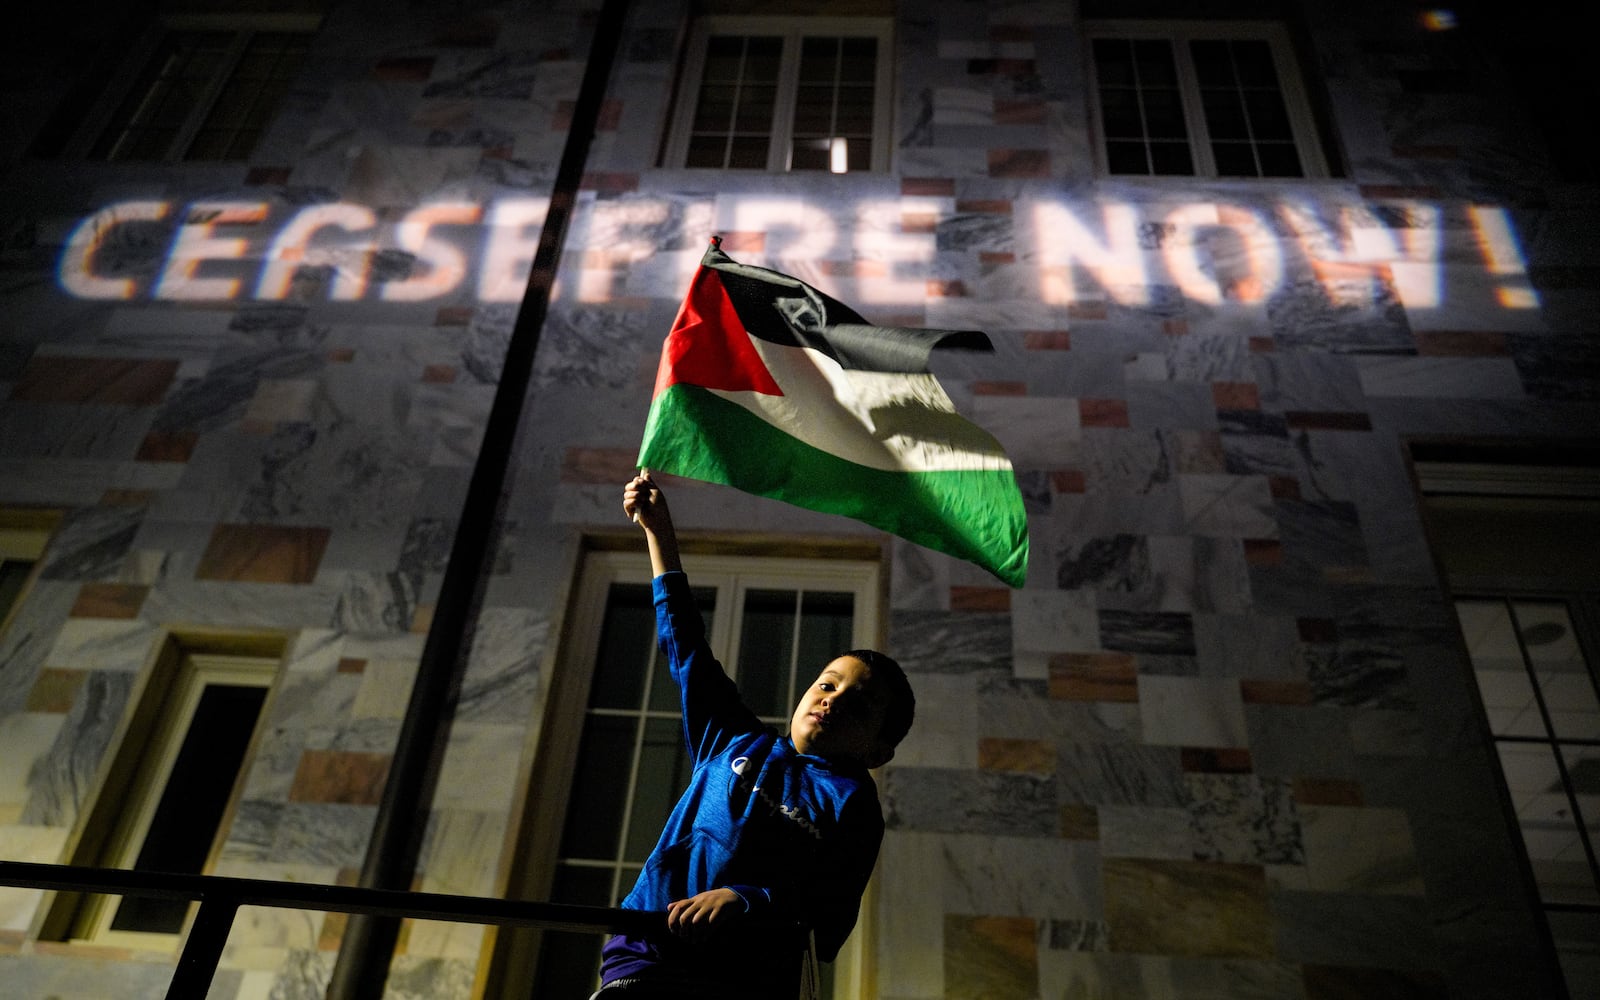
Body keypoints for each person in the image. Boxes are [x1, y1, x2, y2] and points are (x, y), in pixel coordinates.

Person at [591, 472, 915, 999]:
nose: (832, 698)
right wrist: (658, 534)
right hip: (648, 953)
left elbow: (830, 921)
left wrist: (748, 900)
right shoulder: (733, 740)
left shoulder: (852, 802)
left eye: (858, 704)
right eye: (827, 683)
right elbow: (686, 645)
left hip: (747, 978)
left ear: (878, 750)